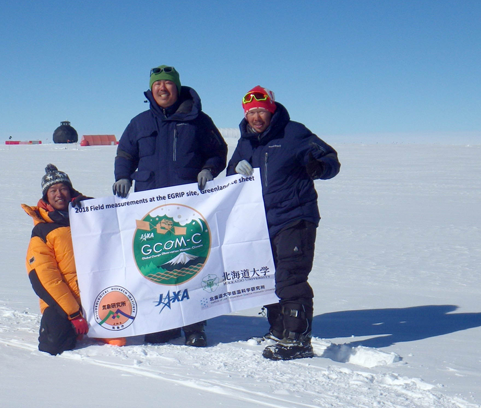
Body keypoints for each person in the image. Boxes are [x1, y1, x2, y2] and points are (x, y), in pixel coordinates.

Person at [113, 65, 228, 347]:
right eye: (157, 84)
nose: (162, 89)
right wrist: (122, 176)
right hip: (151, 210)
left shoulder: (198, 121)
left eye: (168, 83)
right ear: (150, 90)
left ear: (177, 87)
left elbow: (218, 152)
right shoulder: (139, 123)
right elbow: (126, 152)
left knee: (190, 264)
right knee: (156, 266)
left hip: (188, 208)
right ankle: (163, 324)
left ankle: (193, 325)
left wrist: (209, 170)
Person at [227, 86, 341, 360]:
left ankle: (298, 339)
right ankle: (278, 330)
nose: (256, 117)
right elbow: (231, 172)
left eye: (261, 111)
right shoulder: (246, 141)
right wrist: (236, 169)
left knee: (291, 277)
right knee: (269, 277)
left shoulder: (294, 132)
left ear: (271, 110)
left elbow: (331, 159)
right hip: (262, 221)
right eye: (251, 112)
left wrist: (318, 168)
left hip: (295, 215)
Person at [23, 164, 125, 355]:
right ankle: (74, 326)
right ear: (46, 197)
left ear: (71, 191)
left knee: (119, 339)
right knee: (53, 346)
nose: (59, 194)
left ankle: (94, 328)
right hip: (64, 300)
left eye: (63, 188)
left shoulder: (89, 216)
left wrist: (90, 205)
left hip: (98, 294)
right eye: (53, 190)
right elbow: (45, 278)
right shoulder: (42, 230)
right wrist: (72, 313)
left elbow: (117, 221)